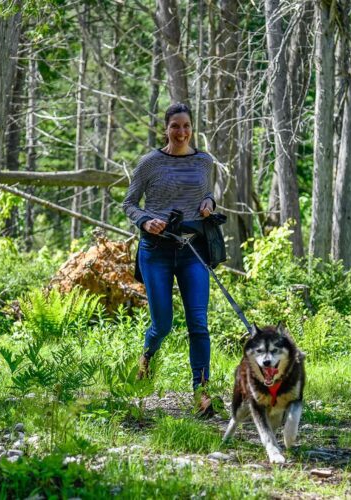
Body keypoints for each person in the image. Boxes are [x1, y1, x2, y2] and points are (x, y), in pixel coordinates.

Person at [122, 103, 216, 417]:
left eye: (186, 126)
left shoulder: (204, 161)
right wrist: (145, 221)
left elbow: (208, 195)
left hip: (192, 250)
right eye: (175, 126)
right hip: (156, 250)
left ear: (192, 128)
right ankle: (147, 358)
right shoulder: (150, 162)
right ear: (166, 128)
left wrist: (209, 201)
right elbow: (130, 203)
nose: (181, 132)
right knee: (162, 323)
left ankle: (201, 392)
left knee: (198, 324)